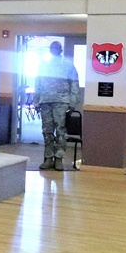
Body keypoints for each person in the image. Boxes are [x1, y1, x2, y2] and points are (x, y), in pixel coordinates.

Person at [34, 40, 80, 171]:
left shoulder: (67, 64)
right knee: (47, 131)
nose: (54, 49)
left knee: (60, 130)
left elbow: (74, 84)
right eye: (52, 47)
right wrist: (36, 100)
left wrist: (73, 102)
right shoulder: (43, 65)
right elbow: (37, 82)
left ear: (61, 50)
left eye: (56, 48)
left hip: (61, 101)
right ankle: (48, 158)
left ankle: (59, 158)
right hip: (45, 100)